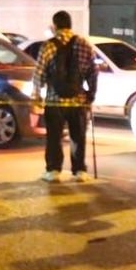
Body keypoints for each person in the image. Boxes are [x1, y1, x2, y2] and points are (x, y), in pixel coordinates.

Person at [30, 10, 98, 183]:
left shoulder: (48, 46)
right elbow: (93, 72)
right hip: (78, 101)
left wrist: (36, 97)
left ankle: (53, 171)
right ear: (70, 25)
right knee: (78, 137)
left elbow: (39, 74)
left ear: (55, 26)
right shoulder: (84, 44)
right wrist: (90, 95)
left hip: (55, 101)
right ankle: (79, 171)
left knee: (54, 137)